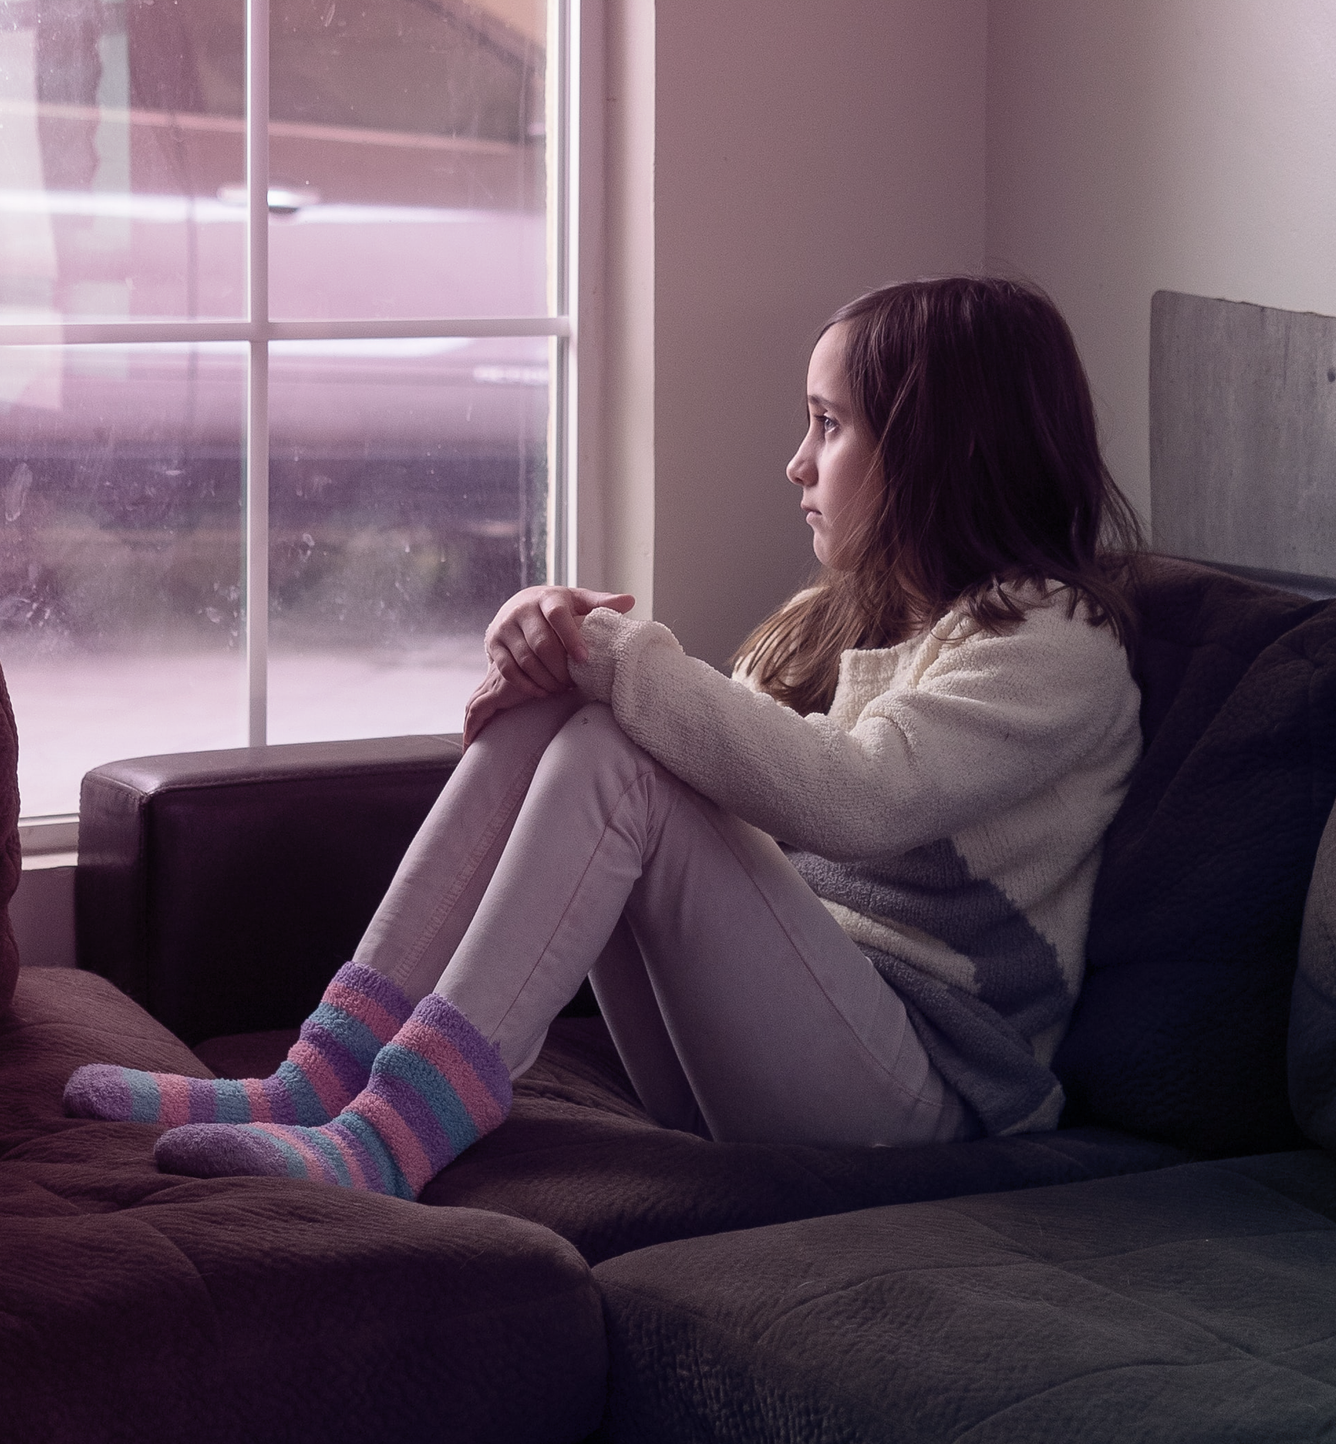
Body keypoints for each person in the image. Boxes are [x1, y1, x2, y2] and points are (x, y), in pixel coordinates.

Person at [64, 276, 1144, 1199]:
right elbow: (702, 760)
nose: (797, 464)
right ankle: (319, 1077)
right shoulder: (842, 617)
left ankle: (393, 1136)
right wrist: (544, 641)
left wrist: (613, 655)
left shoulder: (1056, 646)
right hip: (780, 1053)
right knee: (590, 715)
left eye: (829, 423)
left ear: (935, 451)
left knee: (620, 733)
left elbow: (853, 800)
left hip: (930, 1102)